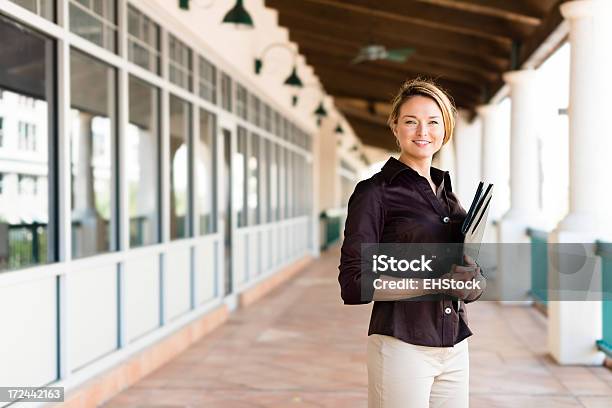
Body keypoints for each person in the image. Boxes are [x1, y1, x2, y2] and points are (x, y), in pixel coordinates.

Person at [338, 78, 486, 408]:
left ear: (445, 130)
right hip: (403, 345)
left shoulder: (449, 197)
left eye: (433, 122)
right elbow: (354, 282)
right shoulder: (374, 193)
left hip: (454, 345)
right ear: (394, 125)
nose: (423, 131)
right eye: (411, 121)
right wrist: (436, 283)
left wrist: (474, 281)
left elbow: (468, 280)